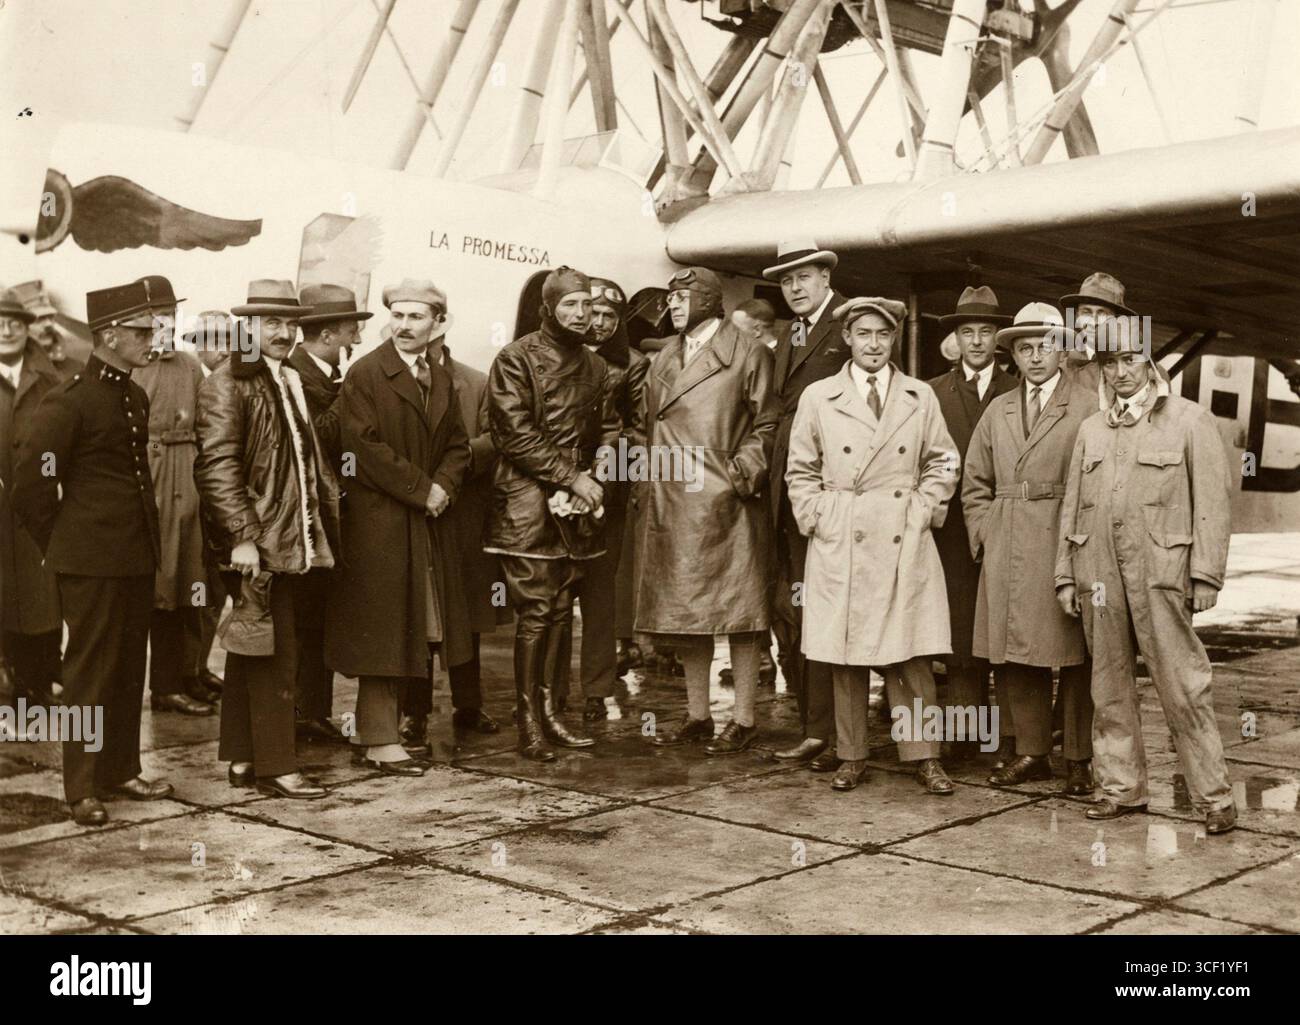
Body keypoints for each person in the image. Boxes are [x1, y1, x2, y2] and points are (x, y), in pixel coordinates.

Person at [1056, 316, 1236, 833]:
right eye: (1109, 363)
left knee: (1184, 686)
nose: (1120, 372)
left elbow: (1212, 506)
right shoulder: (1091, 429)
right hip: (1099, 576)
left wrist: (1205, 575)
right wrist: (1066, 575)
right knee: (1108, 686)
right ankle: (1121, 789)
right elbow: (1074, 506)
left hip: (1163, 575)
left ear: (1148, 360)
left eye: (1130, 359)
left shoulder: (1188, 420)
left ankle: (1215, 798)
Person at [13, 278, 174, 826]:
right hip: (89, 561)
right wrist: (61, 543)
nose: (151, 339)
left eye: (151, 329)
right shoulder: (71, 401)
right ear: (109, 335)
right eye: (140, 331)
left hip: (133, 558)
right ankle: (81, 787)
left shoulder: (134, 394)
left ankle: (120, 770)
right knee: (88, 672)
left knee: (131, 666)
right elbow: (33, 483)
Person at [784, 297, 959, 795]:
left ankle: (924, 757)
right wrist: (820, 515)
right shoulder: (820, 396)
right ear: (848, 339)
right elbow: (800, 469)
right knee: (846, 655)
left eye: (883, 335)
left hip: (903, 533)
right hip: (844, 535)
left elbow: (944, 460)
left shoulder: (918, 396)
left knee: (912, 655)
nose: (874, 344)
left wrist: (924, 508)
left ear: (894, 340)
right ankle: (852, 754)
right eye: (864, 334)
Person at [195, 279, 339, 799]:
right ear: (246, 327)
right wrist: (241, 537)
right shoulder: (226, 382)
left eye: (290, 323)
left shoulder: (286, 378)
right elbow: (216, 466)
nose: (283, 332)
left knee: (250, 645)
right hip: (261, 540)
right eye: (270, 323)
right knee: (277, 650)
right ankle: (278, 766)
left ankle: (240, 756)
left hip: (287, 535)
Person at [324, 279, 470, 774]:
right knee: (383, 630)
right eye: (398, 316)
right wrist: (422, 489)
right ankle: (379, 738)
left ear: (438, 322)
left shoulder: (439, 376)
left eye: (416, 317)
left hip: (424, 519)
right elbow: (360, 447)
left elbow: (457, 443)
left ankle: (394, 731)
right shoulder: (366, 374)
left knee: (418, 628)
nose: (404, 326)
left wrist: (444, 485)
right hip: (380, 521)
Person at [637, 267, 778, 755]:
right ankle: (698, 714)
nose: (673, 305)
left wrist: (741, 473)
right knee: (685, 610)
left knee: (740, 611)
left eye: (683, 296)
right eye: (672, 297)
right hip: (672, 497)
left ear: (710, 301)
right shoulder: (666, 357)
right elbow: (641, 422)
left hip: (727, 497)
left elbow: (768, 422)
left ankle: (743, 717)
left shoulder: (748, 351)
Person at [485, 266, 619, 761]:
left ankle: (550, 713)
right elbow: (513, 433)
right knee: (537, 614)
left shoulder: (597, 366)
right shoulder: (515, 358)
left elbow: (610, 427)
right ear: (549, 309)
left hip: (576, 504)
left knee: (562, 612)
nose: (582, 315)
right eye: (570, 306)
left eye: (587, 306)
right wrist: (572, 478)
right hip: (526, 506)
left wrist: (600, 472)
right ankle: (528, 724)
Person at [962, 303, 1095, 794]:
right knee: (1015, 652)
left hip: (1065, 540)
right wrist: (983, 530)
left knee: (1078, 654)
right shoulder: (998, 409)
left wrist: (1085, 544)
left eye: (1044, 346)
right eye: (1024, 348)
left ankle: (1079, 758)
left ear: (1062, 351)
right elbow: (974, 480)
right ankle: (1033, 752)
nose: (1035, 356)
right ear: (1012, 355)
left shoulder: (1086, 405)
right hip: (1008, 541)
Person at [764, 239, 848, 771]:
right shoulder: (788, 334)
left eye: (804, 277)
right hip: (786, 490)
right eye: (787, 280)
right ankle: (813, 726)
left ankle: (838, 733)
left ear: (825, 277)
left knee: (830, 613)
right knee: (794, 613)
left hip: (828, 492)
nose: (795, 287)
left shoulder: (848, 326)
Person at [926, 286, 1018, 763]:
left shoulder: (1019, 392)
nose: (978, 342)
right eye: (968, 332)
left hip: (1006, 526)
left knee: (1004, 635)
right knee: (960, 637)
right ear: (956, 339)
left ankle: (1008, 741)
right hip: (950, 533)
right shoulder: (932, 392)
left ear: (999, 337)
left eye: (986, 332)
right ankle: (962, 737)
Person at [551, 276, 649, 722]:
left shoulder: (632, 364)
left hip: (606, 488)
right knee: (551, 593)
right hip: (553, 484)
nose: (600, 323)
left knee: (599, 591)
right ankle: (549, 690)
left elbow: (638, 428)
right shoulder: (552, 354)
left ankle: (596, 688)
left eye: (612, 316)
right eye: (594, 312)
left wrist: (602, 473)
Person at [288, 282, 371, 742]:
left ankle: (312, 710)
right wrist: (350, 394)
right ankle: (304, 712)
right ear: (327, 333)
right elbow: (318, 436)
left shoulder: (322, 371)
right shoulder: (299, 375)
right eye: (349, 329)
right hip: (313, 519)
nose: (355, 337)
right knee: (307, 620)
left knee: (319, 617)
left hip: (332, 513)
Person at [132, 276, 216, 717]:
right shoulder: (133, 366)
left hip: (191, 475)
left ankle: (189, 673)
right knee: (161, 587)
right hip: (152, 472)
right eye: (152, 317)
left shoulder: (187, 365)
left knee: (192, 582)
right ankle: (163, 686)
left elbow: (208, 417)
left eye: (168, 315)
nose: (162, 323)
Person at [0, 288, 65, 709]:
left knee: (42, 599)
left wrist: (49, 480)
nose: (6, 331)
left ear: (27, 330)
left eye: (15, 324)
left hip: (37, 511)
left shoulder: (49, 381)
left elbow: (58, 443)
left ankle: (39, 682)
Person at [1057, 272, 1135, 396]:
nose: (1093, 321)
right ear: (1077, 316)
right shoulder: (1059, 364)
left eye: (1102, 313)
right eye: (1086, 312)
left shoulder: (1137, 369)